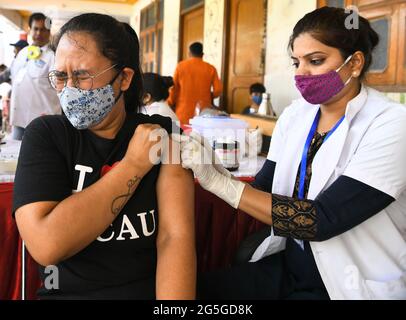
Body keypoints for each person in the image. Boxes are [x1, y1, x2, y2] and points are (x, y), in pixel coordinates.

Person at [180, 6, 406, 300]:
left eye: (315, 61)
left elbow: (321, 220)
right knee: (190, 293)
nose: (301, 74)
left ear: (355, 63)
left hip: (350, 281)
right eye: (296, 62)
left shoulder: (391, 124)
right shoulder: (296, 115)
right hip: (292, 264)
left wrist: (222, 184)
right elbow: (263, 188)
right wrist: (215, 169)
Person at [13, 13, 196, 299]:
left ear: (123, 78)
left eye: (83, 76)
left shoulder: (159, 133)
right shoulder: (46, 135)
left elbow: (175, 238)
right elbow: (46, 245)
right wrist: (133, 165)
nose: (69, 89)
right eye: (61, 77)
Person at [9, 13, 61, 140]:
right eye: (36, 29)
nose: (39, 33)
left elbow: (60, 87)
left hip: (42, 122)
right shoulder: (22, 53)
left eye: (43, 29)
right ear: (29, 30)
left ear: (49, 32)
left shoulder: (54, 56)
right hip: (19, 119)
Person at [167, 42, 223, 125]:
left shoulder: (181, 66)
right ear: (202, 54)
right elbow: (218, 90)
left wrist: (170, 102)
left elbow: (174, 88)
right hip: (203, 113)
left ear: (189, 53)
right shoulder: (211, 68)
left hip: (183, 112)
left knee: (179, 136)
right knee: (200, 136)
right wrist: (209, 96)